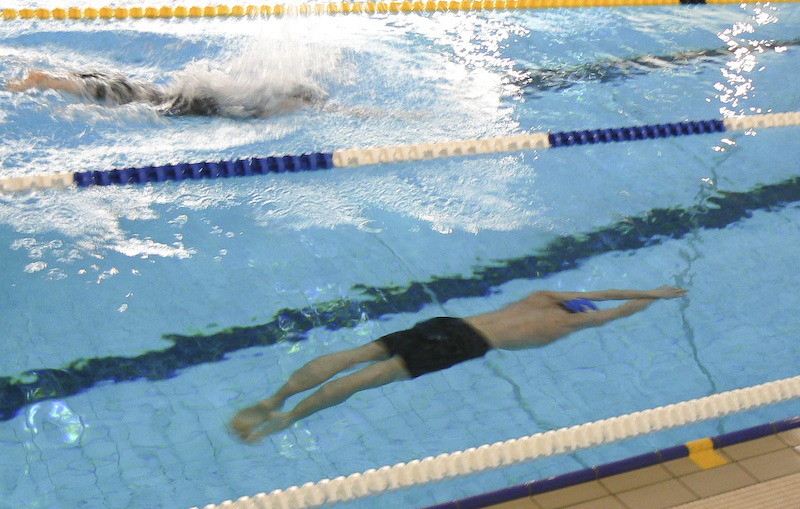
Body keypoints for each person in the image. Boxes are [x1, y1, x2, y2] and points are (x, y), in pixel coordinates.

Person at [231, 285, 687, 441]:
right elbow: (615, 311)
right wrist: (655, 298)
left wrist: (642, 287)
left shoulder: (542, 297)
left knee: (358, 355)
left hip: (449, 324)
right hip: (466, 343)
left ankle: (275, 398)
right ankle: (290, 418)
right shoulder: (566, 325)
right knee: (367, 379)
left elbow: (602, 294)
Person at [5, 69, 327, 117]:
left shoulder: (248, 98)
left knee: (125, 90)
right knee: (124, 96)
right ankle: (48, 80)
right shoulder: (255, 110)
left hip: (160, 92)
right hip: (164, 101)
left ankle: (52, 79)